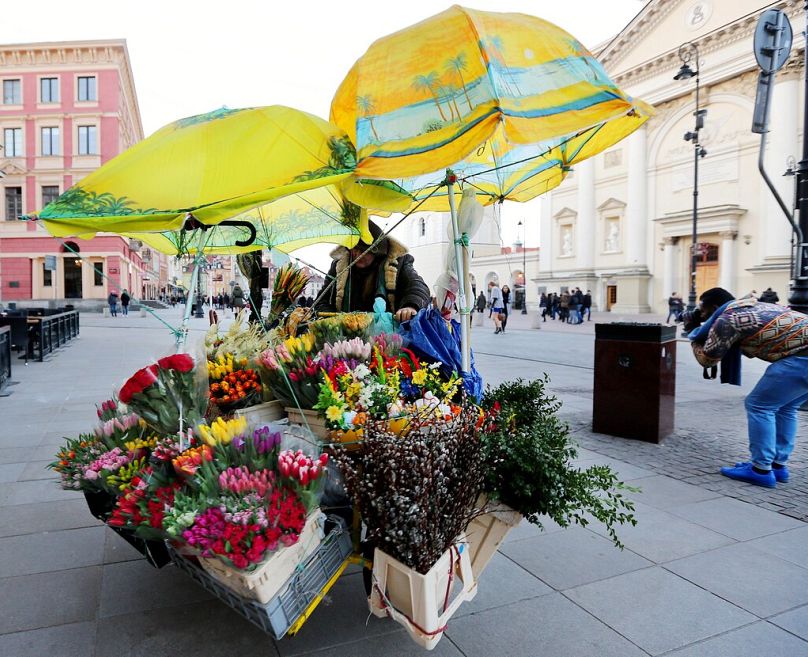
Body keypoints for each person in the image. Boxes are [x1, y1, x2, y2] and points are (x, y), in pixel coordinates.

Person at [683, 287, 808, 488]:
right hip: (803, 356)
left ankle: (761, 470)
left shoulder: (727, 319)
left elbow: (707, 359)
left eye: (703, 311)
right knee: (786, 407)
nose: (702, 316)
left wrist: (692, 331)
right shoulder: (753, 305)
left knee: (759, 406)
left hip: (802, 359)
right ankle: (778, 465)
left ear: (714, 307)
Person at [317, 221, 430, 321]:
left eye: (363, 250)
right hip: (344, 332)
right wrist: (332, 320)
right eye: (354, 249)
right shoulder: (339, 266)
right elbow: (322, 300)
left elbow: (417, 286)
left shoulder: (398, 262)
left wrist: (410, 306)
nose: (357, 255)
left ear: (377, 251)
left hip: (387, 332)